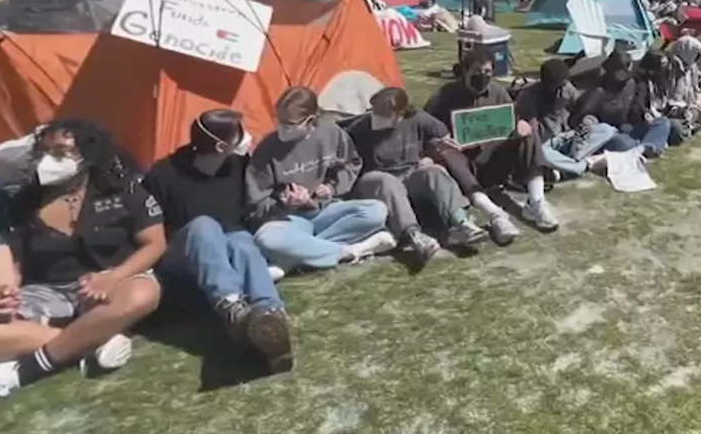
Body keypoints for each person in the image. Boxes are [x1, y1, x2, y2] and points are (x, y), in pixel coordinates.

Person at [0, 120, 165, 402]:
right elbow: (16, 264)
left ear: (88, 155)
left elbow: (155, 243)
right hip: (47, 291)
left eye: (60, 153)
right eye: (44, 153)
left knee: (144, 293)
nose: (48, 161)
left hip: (113, 281)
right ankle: (92, 341)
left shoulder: (122, 189)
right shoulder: (22, 201)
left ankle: (24, 371)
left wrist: (113, 277)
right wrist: (5, 296)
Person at [142, 109, 292, 373]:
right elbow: (150, 230)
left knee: (241, 241)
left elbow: (253, 208)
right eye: (240, 133)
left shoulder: (238, 167)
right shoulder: (164, 175)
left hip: (230, 249)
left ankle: (269, 318)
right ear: (222, 146)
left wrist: (284, 201)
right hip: (183, 259)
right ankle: (232, 306)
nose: (247, 137)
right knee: (204, 225)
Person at [247, 87, 395, 272]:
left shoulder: (331, 133)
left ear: (309, 120)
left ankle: (295, 257)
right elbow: (255, 203)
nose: (282, 128)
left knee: (376, 210)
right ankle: (350, 250)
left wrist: (332, 187)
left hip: (325, 210)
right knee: (265, 240)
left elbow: (351, 163)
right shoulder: (267, 149)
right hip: (288, 219)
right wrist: (284, 204)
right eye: (278, 120)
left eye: (289, 123)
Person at [346, 87, 489, 265]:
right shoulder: (360, 129)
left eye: (384, 113)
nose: (377, 117)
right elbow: (343, 152)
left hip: (410, 174)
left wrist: (434, 152)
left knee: (433, 172)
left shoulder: (417, 118)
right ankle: (414, 236)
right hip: (377, 180)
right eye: (375, 111)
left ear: (400, 113)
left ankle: (461, 223)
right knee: (386, 181)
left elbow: (441, 134)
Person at [425, 48, 556, 234]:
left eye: (487, 72)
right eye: (477, 71)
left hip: (494, 159)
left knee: (530, 130)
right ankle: (495, 214)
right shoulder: (444, 96)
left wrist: (520, 125)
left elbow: (512, 119)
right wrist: (439, 142)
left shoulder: (498, 92)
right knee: (448, 153)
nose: (483, 76)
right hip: (463, 165)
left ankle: (536, 202)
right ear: (465, 71)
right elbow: (425, 129)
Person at [515, 59, 616, 179]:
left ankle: (565, 165)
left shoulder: (567, 87)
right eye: (559, 85)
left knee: (607, 130)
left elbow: (582, 108)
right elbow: (531, 132)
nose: (563, 87)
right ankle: (586, 165)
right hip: (546, 142)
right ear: (548, 83)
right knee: (542, 154)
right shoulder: (528, 96)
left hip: (568, 137)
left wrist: (587, 120)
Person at [578, 51, 673, 158]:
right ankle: (643, 147)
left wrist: (645, 113)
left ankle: (645, 147)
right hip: (609, 133)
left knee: (662, 123)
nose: (625, 73)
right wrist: (590, 122)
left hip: (628, 127)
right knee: (624, 144)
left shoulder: (631, 83)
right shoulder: (599, 89)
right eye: (621, 70)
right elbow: (587, 115)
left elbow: (636, 104)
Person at [665, 36, 701, 131]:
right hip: (678, 107)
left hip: (692, 102)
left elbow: (697, 82)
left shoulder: (691, 67)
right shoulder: (671, 69)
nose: (698, 56)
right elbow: (673, 97)